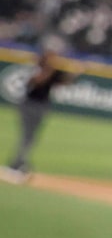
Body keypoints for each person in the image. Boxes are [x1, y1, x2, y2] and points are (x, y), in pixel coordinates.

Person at [6, 38, 67, 180]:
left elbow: (62, 82)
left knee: (31, 137)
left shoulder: (54, 69)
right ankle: (16, 165)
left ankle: (20, 162)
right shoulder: (38, 66)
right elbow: (37, 81)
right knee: (27, 136)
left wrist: (77, 72)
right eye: (52, 54)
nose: (55, 56)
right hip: (29, 104)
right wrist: (50, 69)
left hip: (41, 105)